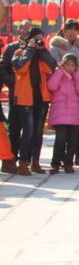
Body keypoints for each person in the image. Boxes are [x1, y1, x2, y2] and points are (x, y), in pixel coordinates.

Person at [13, 27, 58, 175]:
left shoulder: (43, 55)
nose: (39, 41)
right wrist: (30, 49)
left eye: (41, 39)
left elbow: (52, 67)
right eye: (36, 38)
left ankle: (35, 161)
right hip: (25, 98)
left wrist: (42, 50)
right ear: (29, 39)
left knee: (38, 132)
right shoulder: (19, 52)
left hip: (41, 97)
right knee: (28, 130)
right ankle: (23, 162)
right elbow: (19, 68)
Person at [49, 19, 79, 166]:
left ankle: (77, 155)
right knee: (62, 131)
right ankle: (60, 157)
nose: (72, 32)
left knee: (76, 127)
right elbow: (54, 68)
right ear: (64, 30)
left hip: (78, 92)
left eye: (75, 29)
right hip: (62, 93)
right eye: (69, 29)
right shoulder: (56, 47)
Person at [46, 53, 79, 174]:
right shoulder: (57, 74)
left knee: (73, 139)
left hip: (74, 112)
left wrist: (77, 75)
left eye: (72, 65)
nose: (69, 67)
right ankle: (56, 162)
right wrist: (59, 72)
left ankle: (69, 162)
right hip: (60, 112)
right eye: (67, 65)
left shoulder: (77, 76)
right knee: (60, 138)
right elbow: (51, 86)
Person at [2, 20, 33, 173]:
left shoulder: (36, 47)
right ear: (18, 30)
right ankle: (11, 158)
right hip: (16, 94)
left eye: (29, 28)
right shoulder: (11, 48)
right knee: (14, 128)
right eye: (24, 28)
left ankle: (27, 159)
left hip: (32, 94)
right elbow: (3, 68)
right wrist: (12, 83)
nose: (27, 31)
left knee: (30, 129)